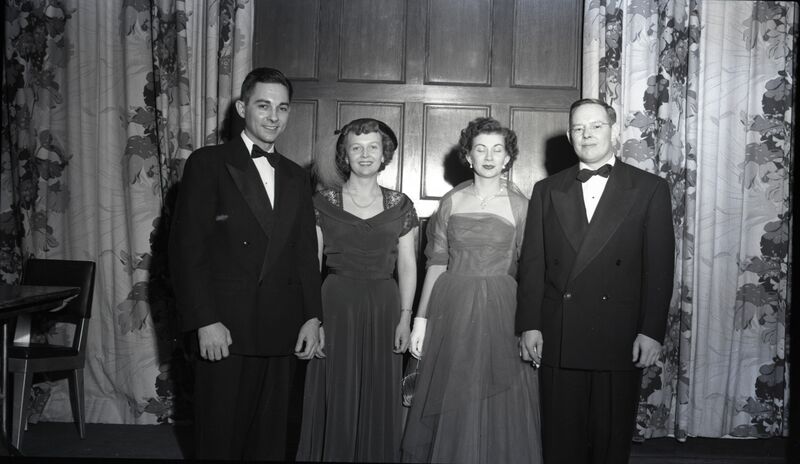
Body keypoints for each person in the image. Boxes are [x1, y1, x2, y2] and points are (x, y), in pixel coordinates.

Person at [169, 67, 322, 460]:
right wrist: (205, 320)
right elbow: (188, 250)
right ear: (241, 108)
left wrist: (312, 317)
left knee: (272, 443)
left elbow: (305, 254)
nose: (273, 117)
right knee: (220, 439)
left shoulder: (296, 176)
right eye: (263, 106)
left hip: (282, 328)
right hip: (226, 329)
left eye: (282, 108)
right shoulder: (208, 163)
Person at [516, 98, 675, 464]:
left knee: (609, 442)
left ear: (613, 130)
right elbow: (533, 265)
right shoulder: (546, 189)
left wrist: (651, 331)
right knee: (560, 442)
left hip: (620, 335)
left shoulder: (650, 188)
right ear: (569, 136)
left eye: (596, 126)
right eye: (578, 128)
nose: (586, 135)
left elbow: (660, 268)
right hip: (559, 333)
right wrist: (530, 324)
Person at [401, 118, 542, 463]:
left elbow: (529, 269)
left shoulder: (521, 205)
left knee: (497, 395)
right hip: (452, 307)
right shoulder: (452, 200)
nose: (489, 157)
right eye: (481, 149)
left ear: (508, 158)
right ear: (468, 156)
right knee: (453, 392)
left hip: (502, 309)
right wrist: (420, 319)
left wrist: (530, 324)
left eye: (497, 149)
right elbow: (437, 261)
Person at [296, 118, 419, 462]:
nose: (365, 154)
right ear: (345, 155)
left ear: (384, 154)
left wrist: (405, 318)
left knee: (379, 393)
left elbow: (407, 265)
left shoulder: (401, 205)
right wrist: (313, 319)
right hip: (335, 305)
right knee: (336, 390)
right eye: (356, 147)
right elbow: (310, 264)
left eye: (373, 147)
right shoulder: (322, 202)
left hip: (385, 306)